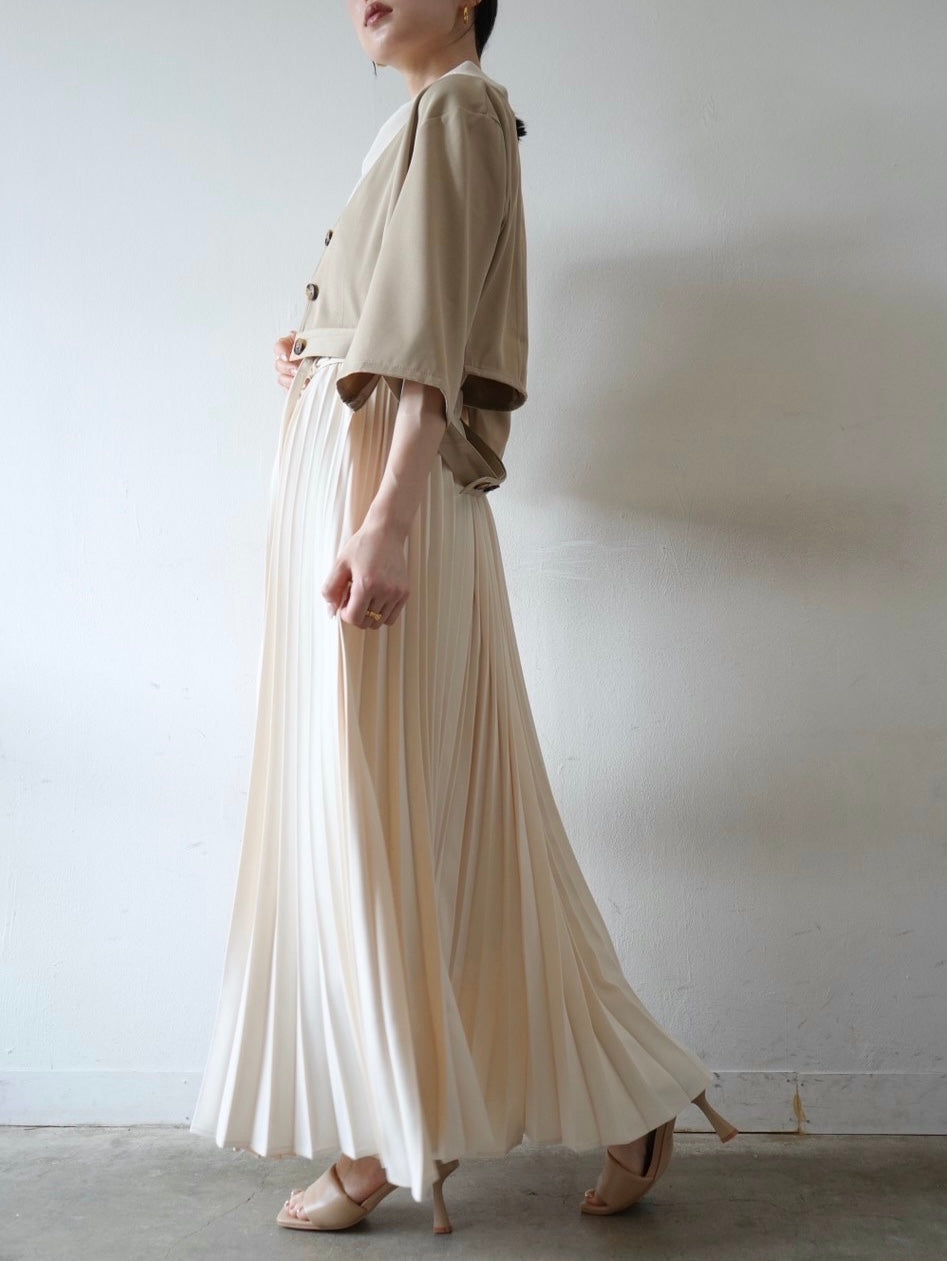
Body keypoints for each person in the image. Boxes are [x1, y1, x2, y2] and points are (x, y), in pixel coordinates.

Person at [188, 0, 738, 1237]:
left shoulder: (461, 108)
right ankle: (606, 1091)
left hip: (382, 497)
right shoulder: (417, 124)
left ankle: (389, 1133)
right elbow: (400, 320)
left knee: (380, 815)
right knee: (418, 813)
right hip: (352, 482)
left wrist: (384, 518)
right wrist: (317, 345)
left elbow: (432, 341)